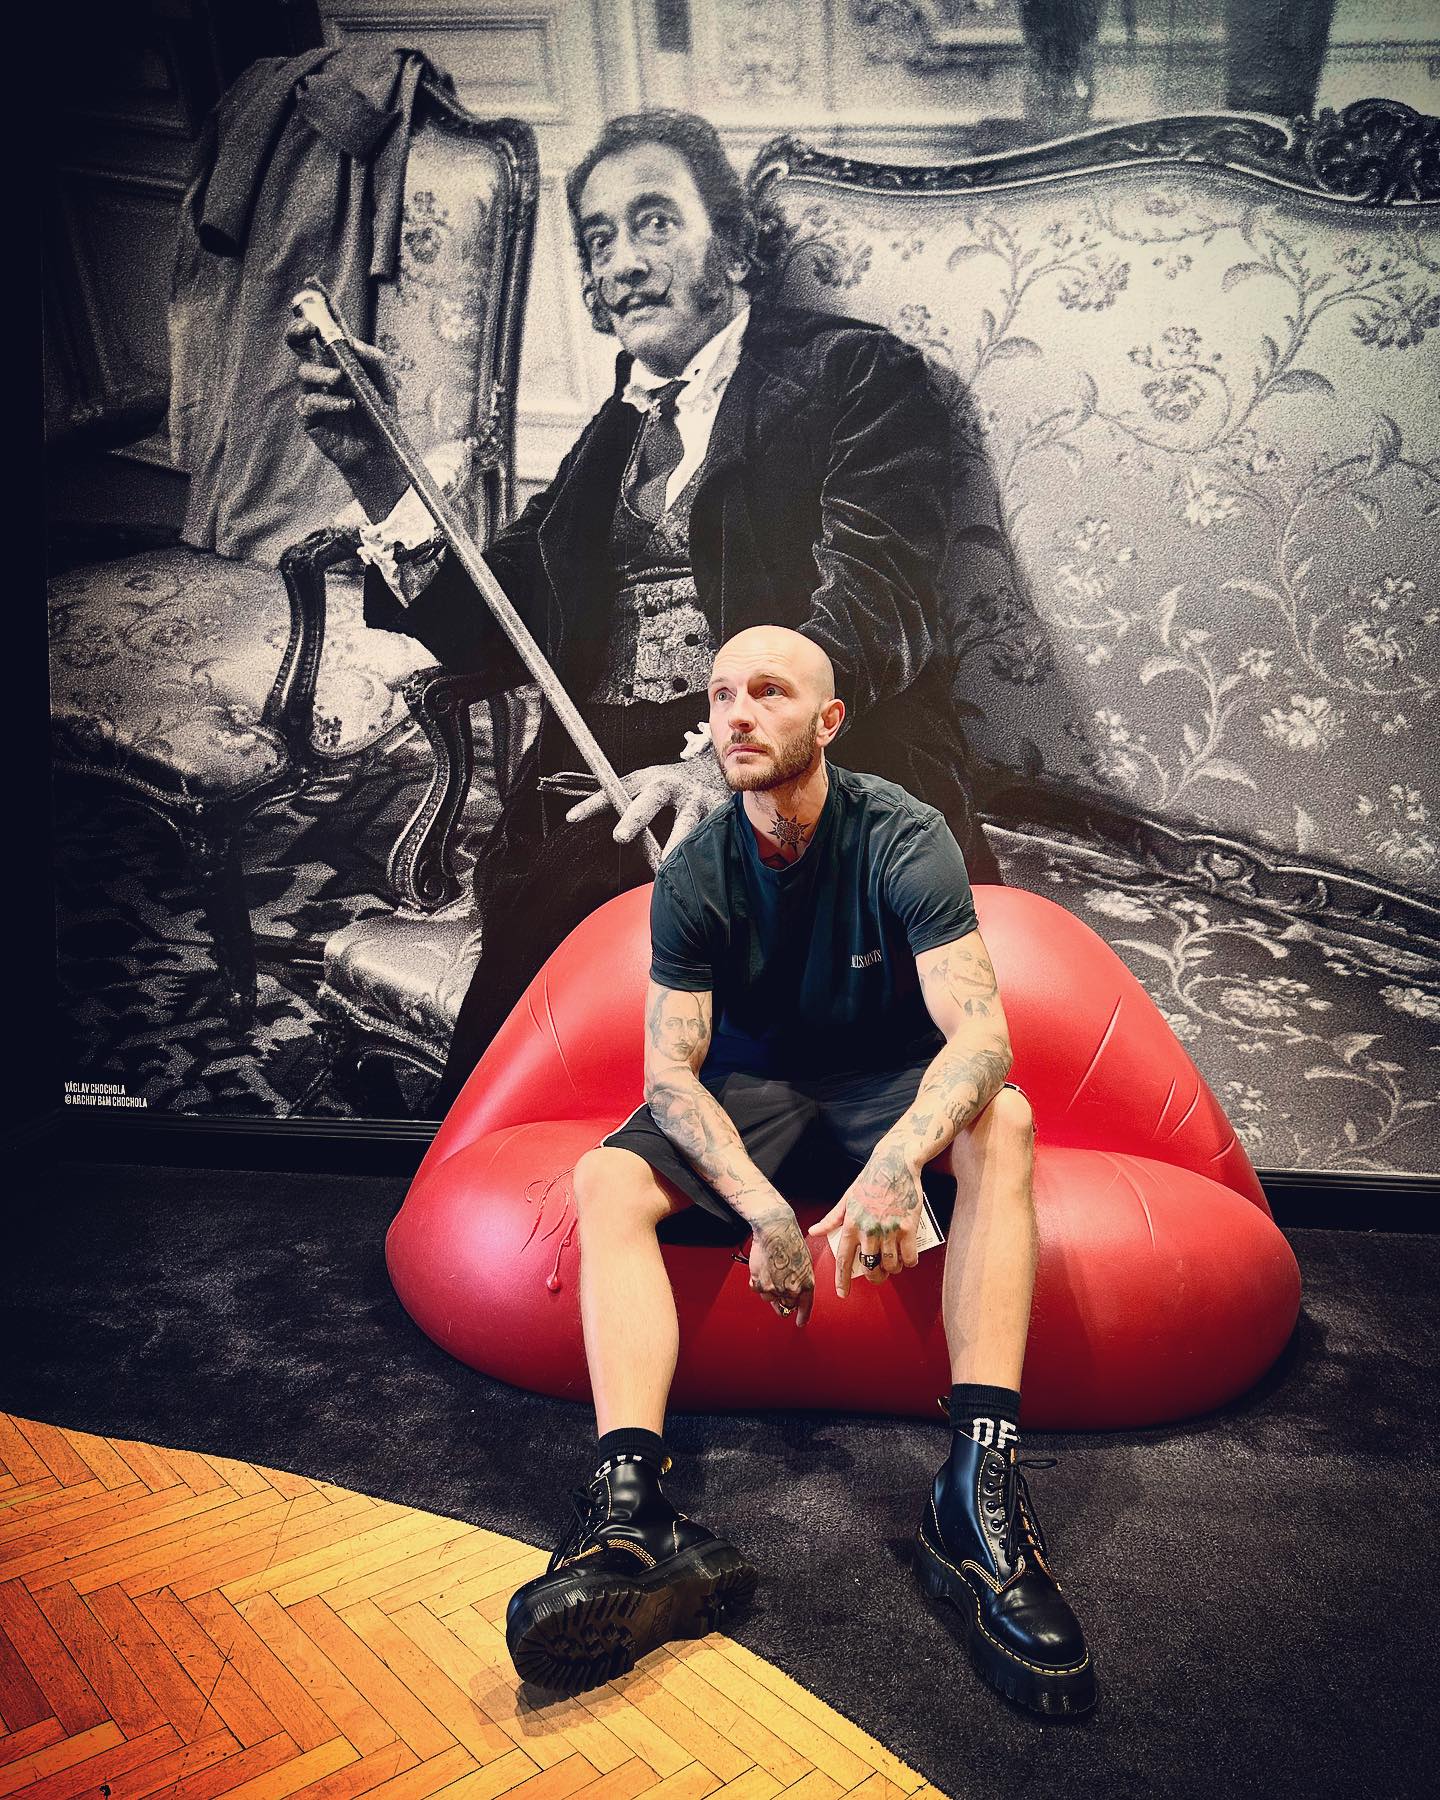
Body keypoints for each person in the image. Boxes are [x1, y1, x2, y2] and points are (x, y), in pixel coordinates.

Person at [289, 107, 1000, 1115]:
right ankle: (517, 1172)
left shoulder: (855, 375)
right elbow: (491, 624)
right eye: (599, 240)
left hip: (820, 776)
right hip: (605, 794)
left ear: (735, 248)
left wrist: (726, 762)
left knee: (588, 934)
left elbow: (874, 605)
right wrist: (375, 467)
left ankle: (498, 1159)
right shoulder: (610, 435)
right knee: (578, 904)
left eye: (655, 221)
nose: (622, 261)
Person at [502, 624, 1094, 1719]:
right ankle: (633, 1507)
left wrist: (897, 1160)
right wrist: (766, 1212)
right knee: (604, 1180)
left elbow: (981, 1034)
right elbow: (670, 1074)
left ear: (828, 721)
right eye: (721, 693)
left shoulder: (901, 833)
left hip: (885, 1081)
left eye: (768, 692)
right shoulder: (699, 868)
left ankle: (976, 1495)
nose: (737, 713)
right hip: (752, 1090)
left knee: (1003, 1120)